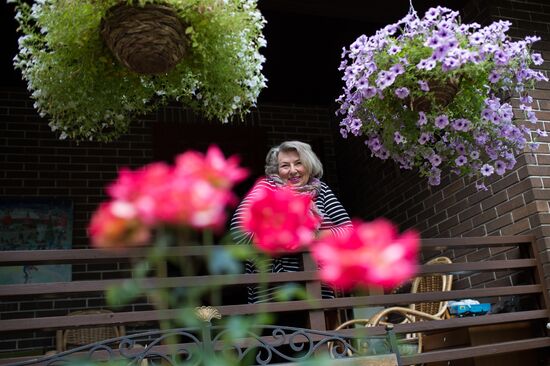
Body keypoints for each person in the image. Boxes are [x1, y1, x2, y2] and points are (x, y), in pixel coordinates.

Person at [230, 140, 352, 304]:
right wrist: (284, 243)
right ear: (277, 170)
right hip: (274, 293)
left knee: (321, 330)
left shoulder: (321, 190)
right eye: (285, 165)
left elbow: (348, 231)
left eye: (298, 163)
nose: (293, 171)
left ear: (308, 165)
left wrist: (310, 238)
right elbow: (239, 231)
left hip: (320, 290)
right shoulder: (267, 187)